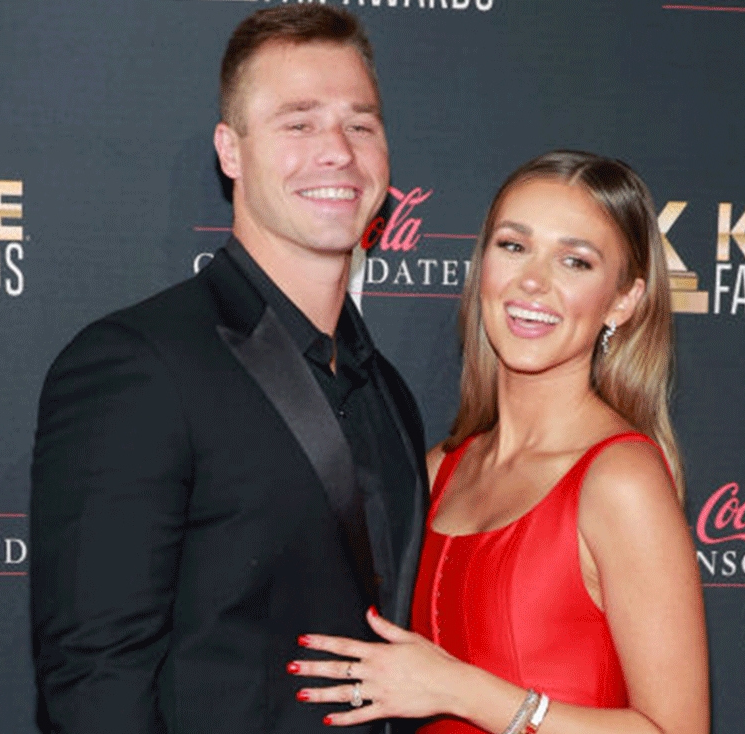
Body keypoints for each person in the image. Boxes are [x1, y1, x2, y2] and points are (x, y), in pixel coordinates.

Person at [30, 6, 427, 734]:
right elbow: (96, 681)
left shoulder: (390, 393)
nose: (337, 151)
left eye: (361, 124)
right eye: (298, 122)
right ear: (231, 150)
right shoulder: (137, 364)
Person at [289, 151, 710, 734]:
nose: (532, 281)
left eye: (575, 261)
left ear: (624, 301)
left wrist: (462, 690)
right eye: (513, 246)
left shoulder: (620, 479)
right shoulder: (437, 471)